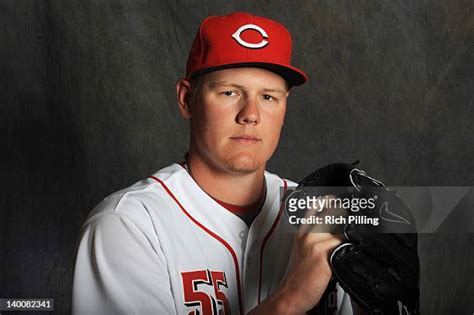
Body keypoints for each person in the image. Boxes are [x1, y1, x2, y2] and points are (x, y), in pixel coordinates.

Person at [72, 11, 356, 314]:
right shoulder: (129, 225)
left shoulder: (318, 214)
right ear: (186, 99)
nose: (250, 114)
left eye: (268, 97)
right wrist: (290, 300)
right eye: (230, 92)